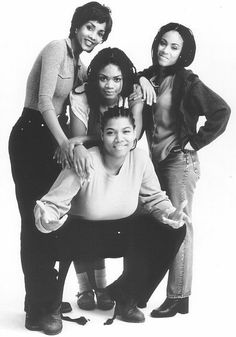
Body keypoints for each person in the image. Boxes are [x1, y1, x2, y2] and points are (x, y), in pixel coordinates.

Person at [8, 2, 112, 334]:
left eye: (101, 32)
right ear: (77, 25)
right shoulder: (56, 48)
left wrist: (143, 82)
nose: (94, 36)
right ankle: (39, 309)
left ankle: (39, 297)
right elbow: (43, 101)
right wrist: (66, 143)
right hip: (29, 134)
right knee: (33, 220)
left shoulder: (81, 67)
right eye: (90, 27)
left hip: (53, 141)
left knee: (50, 219)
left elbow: (109, 81)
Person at [34, 106, 188, 327]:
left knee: (174, 229)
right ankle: (51, 308)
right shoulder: (86, 160)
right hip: (80, 234)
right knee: (51, 235)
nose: (119, 139)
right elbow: (52, 202)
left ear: (134, 134)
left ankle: (126, 297)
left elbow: (154, 198)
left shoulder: (140, 160)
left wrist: (170, 213)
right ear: (102, 135)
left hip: (120, 231)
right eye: (111, 132)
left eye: (126, 131)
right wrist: (47, 216)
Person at [135, 22, 231, 317]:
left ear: (183, 53)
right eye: (163, 43)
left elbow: (221, 111)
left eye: (174, 47)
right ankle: (140, 291)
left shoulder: (188, 82)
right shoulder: (149, 76)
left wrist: (195, 144)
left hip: (180, 162)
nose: (165, 50)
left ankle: (178, 296)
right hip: (155, 162)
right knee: (153, 224)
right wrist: (140, 80)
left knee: (180, 225)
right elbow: (126, 73)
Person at [68, 47, 143, 311]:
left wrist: (85, 140)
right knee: (81, 218)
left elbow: (132, 139)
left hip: (115, 166)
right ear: (94, 79)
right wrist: (83, 143)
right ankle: (84, 288)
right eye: (103, 78)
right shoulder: (81, 97)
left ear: (124, 80)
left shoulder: (131, 96)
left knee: (100, 221)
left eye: (116, 79)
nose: (110, 85)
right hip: (86, 163)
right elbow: (76, 141)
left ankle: (101, 287)